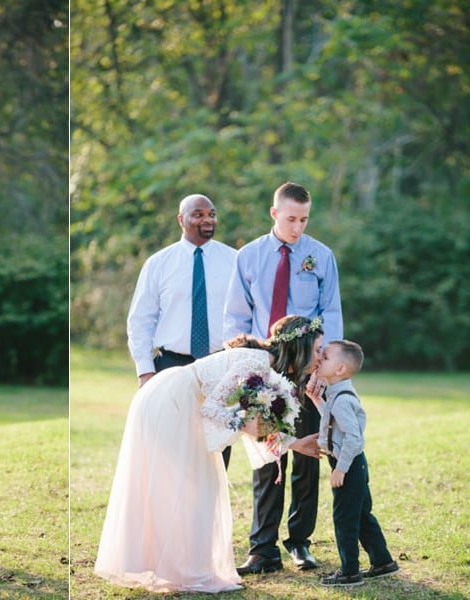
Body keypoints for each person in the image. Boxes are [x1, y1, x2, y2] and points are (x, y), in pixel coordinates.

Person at [94, 315, 324, 593]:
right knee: (193, 486)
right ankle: (187, 573)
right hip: (173, 401)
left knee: (196, 486)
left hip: (181, 402)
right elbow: (214, 410)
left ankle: (181, 569)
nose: (320, 357)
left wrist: (293, 442)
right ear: (300, 347)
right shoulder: (256, 362)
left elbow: (237, 414)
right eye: (317, 349)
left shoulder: (265, 366)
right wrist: (252, 424)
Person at [223, 181, 343, 574]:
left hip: (308, 370)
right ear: (274, 214)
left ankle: (300, 541)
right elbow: (237, 316)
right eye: (291, 219)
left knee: (307, 454)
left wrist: (323, 370)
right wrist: (244, 364)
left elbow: (333, 314)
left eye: (304, 219)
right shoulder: (249, 256)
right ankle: (262, 549)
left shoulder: (321, 256)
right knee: (266, 456)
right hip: (265, 370)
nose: (298, 227)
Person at [127, 194, 236, 464]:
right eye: (198, 214)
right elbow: (140, 320)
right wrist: (145, 371)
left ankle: (211, 505)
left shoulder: (235, 261)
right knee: (170, 447)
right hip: (171, 365)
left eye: (211, 214)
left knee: (218, 448)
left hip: (219, 364)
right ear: (181, 219)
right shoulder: (158, 264)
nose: (207, 219)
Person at [308, 340, 399, 586]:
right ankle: (383, 561)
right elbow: (334, 421)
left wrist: (340, 469)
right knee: (360, 514)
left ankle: (349, 571)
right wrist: (317, 401)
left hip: (348, 465)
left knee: (344, 518)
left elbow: (353, 439)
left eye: (324, 357)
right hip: (354, 465)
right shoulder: (336, 394)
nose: (319, 360)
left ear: (340, 369)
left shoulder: (342, 399)